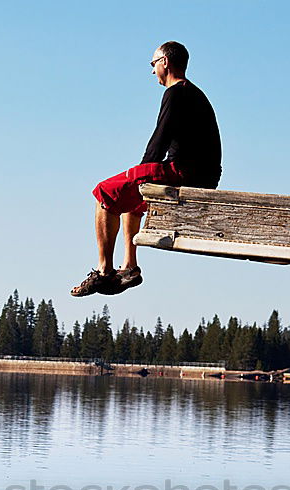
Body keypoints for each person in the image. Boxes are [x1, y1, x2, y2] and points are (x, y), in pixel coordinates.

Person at [70, 41, 222, 298]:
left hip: (185, 172)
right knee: (132, 197)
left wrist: (142, 172)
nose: (152, 71)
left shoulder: (176, 93)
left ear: (165, 62)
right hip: (202, 175)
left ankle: (104, 270)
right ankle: (129, 267)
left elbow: (159, 140)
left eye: (153, 63)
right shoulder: (195, 93)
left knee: (104, 193)